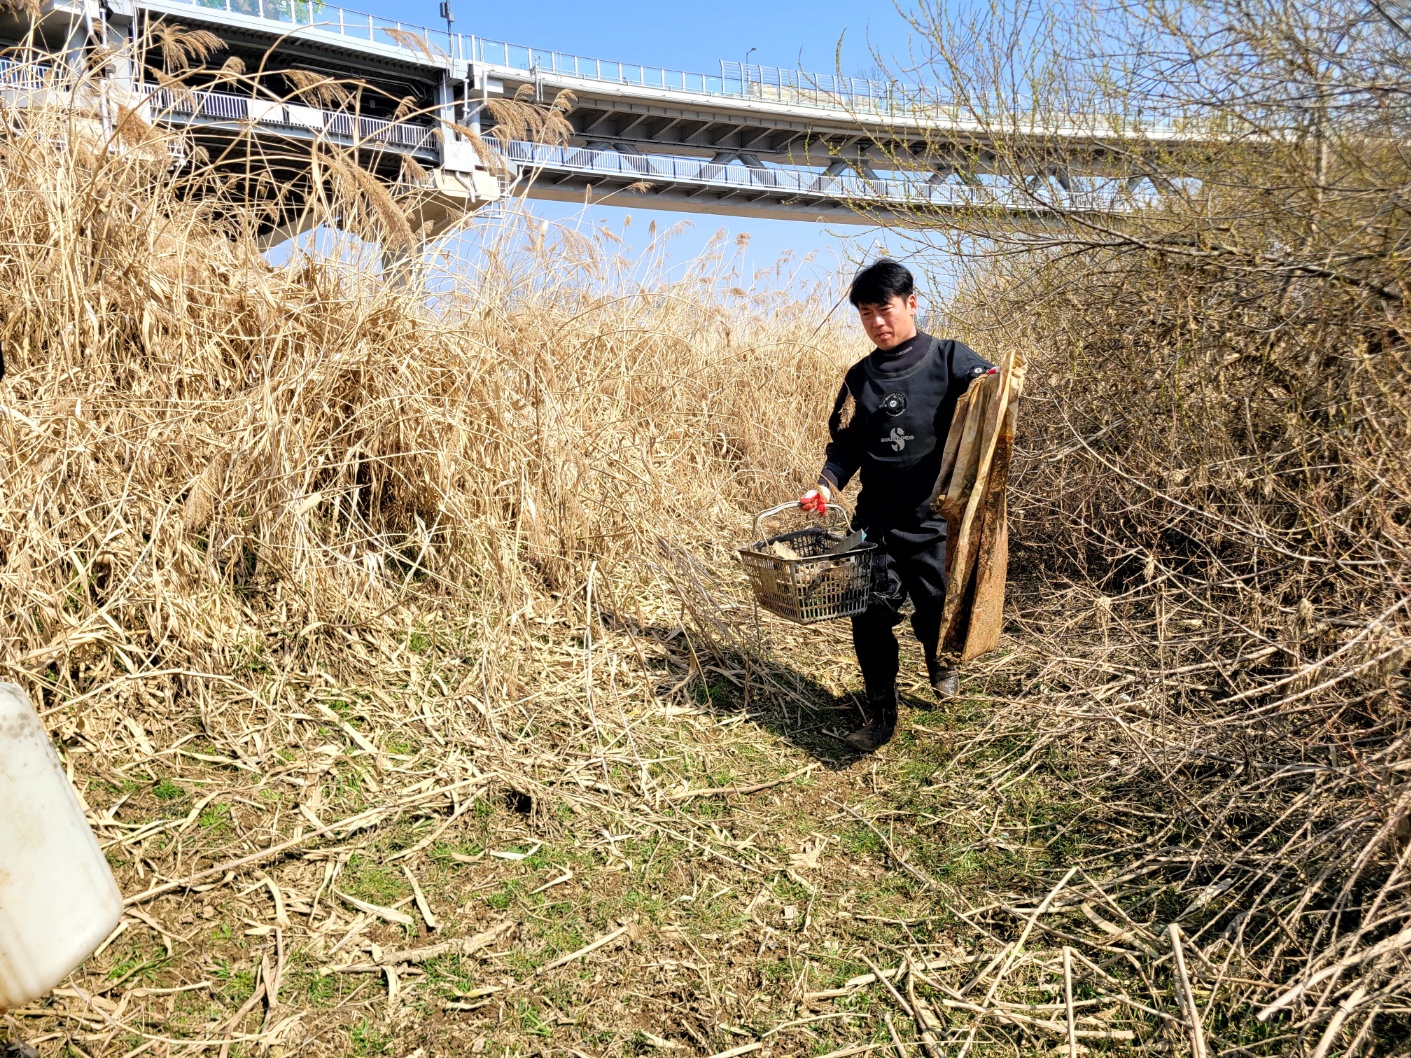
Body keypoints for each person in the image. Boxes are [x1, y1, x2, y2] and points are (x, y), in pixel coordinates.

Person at [800, 259, 994, 751]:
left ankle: (939, 664)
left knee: (936, 608)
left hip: (935, 521)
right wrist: (826, 485)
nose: (877, 323)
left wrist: (994, 382)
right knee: (867, 616)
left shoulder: (950, 358)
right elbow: (845, 445)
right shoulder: (859, 378)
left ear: (911, 303)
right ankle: (881, 713)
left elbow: (990, 396)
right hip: (877, 522)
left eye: (884, 309)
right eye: (865, 314)